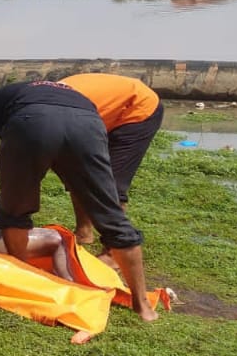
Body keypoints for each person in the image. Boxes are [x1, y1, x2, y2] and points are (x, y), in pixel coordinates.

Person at [0, 80, 158, 322]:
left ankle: (23, 279)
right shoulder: (58, 92)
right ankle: (143, 306)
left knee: (15, 214)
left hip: (31, 120)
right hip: (89, 123)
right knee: (111, 215)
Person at [58, 73, 163, 244]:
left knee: (112, 184)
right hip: (98, 113)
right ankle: (83, 232)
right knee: (76, 173)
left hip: (137, 107)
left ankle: (114, 250)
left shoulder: (52, 111)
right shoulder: (42, 108)